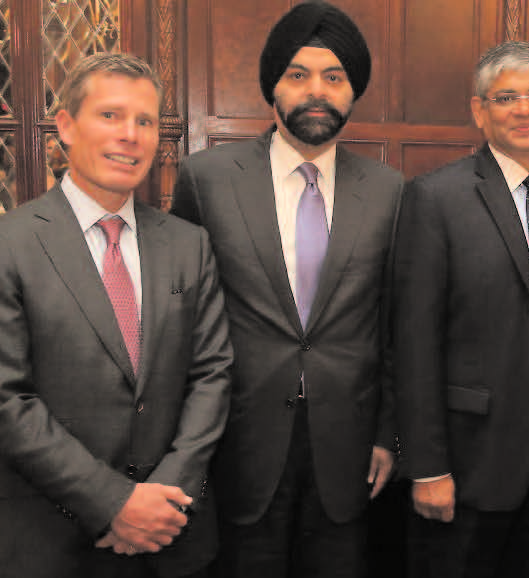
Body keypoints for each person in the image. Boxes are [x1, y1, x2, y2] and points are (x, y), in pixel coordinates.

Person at [0, 52, 233, 578]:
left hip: (176, 536)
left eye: (144, 121)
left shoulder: (188, 244)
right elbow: (3, 400)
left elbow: (212, 373)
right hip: (53, 542)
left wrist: (163, 498)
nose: (129, 134)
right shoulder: (0, 247)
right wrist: (115, 503)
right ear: (66, 126)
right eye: (110, 115)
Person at [169, 2, 402, 576]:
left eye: (334, 77)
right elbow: (184, 317)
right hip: (239, 440)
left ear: (354, 91)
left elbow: (397, 324)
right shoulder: (208, 179)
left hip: (350, 446)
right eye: (297, 75)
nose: (315, 91)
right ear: (272, 86)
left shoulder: (392, 191)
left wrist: (388, 434)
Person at [391, 40, 529, 578]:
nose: (524, 108)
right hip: (469, 459)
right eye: (506, 97)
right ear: (479, 111)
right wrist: (427, 465)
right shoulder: (436, 198)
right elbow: (413, 342)